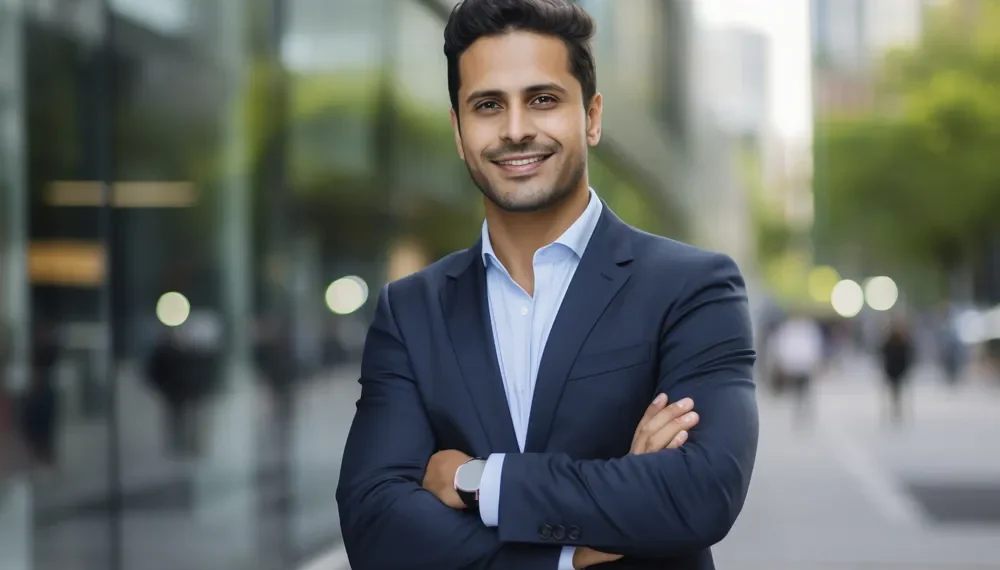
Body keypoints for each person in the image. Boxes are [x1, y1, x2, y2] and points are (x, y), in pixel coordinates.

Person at [336, 1, 759, 568]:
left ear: (591, 116)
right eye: (488, 105)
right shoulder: (411, 310)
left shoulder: (693, 288)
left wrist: (477, 481)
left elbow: (699, 494)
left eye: (542, 99)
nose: (515, 130)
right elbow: (374, 522)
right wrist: (575, 551)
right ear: (458, 132)